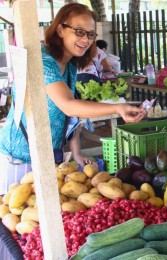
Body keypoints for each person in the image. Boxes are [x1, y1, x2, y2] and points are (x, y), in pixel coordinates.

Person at [0, 3, 146, 194]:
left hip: (46, 154)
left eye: (91, 34)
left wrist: (76, 152)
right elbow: (69, 106)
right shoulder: (43, 61)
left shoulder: (68, 65)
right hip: (19, 157)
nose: (86, 39)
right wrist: (118, 108)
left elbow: (68, 116)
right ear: (60, 29)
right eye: (79, 31)